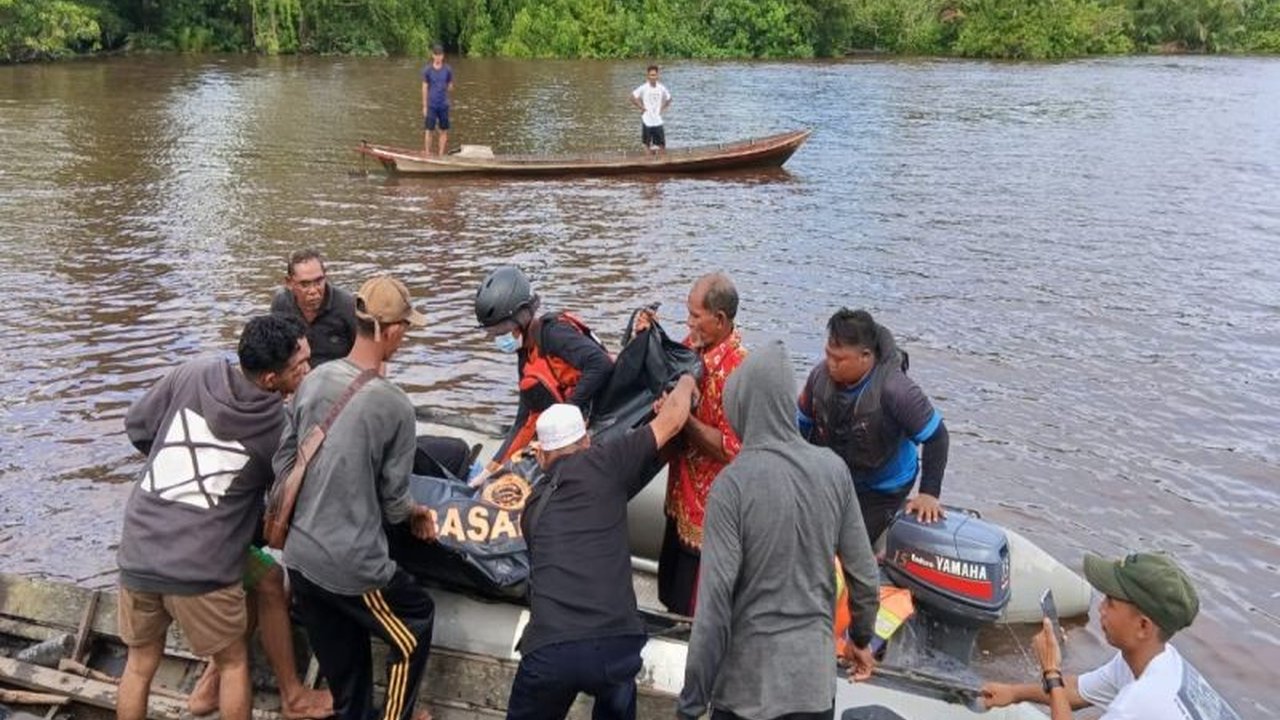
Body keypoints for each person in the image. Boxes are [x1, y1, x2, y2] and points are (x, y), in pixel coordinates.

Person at [115, 315, 312, 720]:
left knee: (139, 663)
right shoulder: (277, 427)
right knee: (233, 663)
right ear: (273, 380)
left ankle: (286, 692)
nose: (308, 371)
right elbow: (286, 500)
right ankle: (218, 692)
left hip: (140, 548)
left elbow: (138, 427)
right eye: (301, 366)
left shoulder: (194, 371)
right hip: (202, 568)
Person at [677, 340, 880, 720]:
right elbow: (865, 577)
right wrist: (861, 639)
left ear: (742, 406)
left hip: (745, 693)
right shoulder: (833, 470)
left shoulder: (732, 486)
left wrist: (691, 704)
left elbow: (714, 610)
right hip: (813, 689)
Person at [276, 275, 438, 720]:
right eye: (405, 329)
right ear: (389, 331)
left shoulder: (315, 378)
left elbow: (284, 461)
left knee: (350, 692)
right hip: (351, 566)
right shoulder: (395, 405)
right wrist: (419, 512)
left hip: (301, 559)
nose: (405, 338)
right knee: (415, 623)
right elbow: (393, 503)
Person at [506, 378, 695, 720]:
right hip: (614, 645)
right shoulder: (606, 462)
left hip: (550, 649)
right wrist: (687, 379)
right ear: (587, 441)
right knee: (616, 689)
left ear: (542, 456)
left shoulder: (533, 506)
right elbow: (674, 420)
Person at [981, 552, 1241, 720]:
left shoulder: (1144, 700)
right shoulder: (1154, 661)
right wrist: (1014, 692)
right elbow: (1076, 692)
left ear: (1143, 626)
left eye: (1111, 602)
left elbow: (1060, 687)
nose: (1100, 608)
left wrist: (1051, 670)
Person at [797, 308, 949, 545]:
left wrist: (929, 494)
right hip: (836, 477)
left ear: (866, 356)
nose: (831, 364)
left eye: (839, 359)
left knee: (851, 545)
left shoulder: (896, 390)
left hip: (883, 487)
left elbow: (937, 436)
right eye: (828, 354)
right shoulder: (819, 377)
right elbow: (802, 425)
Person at [658, 272, 747, 616]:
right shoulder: (694, 345)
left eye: (696, 316)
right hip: (680, 493)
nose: (689, 322)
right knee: (670, 586)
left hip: (708, 512)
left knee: (693, 603)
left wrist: (681, 418)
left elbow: (731, 447)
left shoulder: (737, 372)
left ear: (720, 319)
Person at [473, 266, 613, 468]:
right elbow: (524, 420)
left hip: (601, 416)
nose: (498, 337)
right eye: (493, 332)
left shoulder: (555, 335)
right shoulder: (526, 354)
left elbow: (601, 363)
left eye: (502, 329)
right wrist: (493, 468)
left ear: (521, 319)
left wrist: (568, 412)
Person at [270, 249, 357, 367]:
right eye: (304, 285)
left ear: (325, 277)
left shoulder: (347, 305)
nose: (313, 291)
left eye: (318, 281)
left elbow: (371, 352)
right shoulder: (281, 304)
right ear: (289, 283)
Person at [629, 64, 671, 154]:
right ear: (648, 76)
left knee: (662, 144)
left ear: (658, 76)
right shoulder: (644, 87)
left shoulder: (661, 88)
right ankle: (648, 162)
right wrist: (641, 107)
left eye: (655, 75)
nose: (653, 77)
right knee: (646, 143)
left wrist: (662, 108)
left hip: (658, 120)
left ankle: (662, 162)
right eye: (651, 75)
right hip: (647, 119)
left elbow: (669, 98)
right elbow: (632, 97)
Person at [421, 44, 454, 156]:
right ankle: (427, 153)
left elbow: (450, 85)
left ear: (443, 56)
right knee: (429, 130)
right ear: (433, 56)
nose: (438, 57)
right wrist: (424, 106)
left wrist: (449, 87)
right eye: (436, 55)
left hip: (443, 105)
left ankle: (440, 154)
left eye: (440, 55)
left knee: (443, 130)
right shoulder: (428, 70)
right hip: (431, 105)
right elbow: (424, 88)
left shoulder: (448, 70)